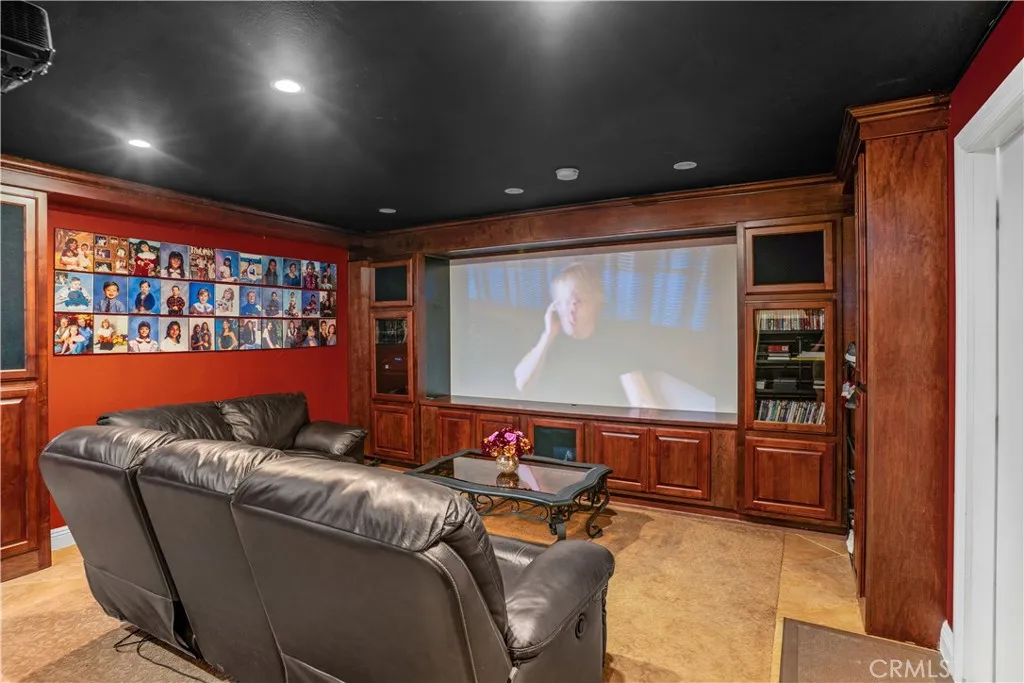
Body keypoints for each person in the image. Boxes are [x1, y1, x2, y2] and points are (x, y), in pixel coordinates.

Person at [514, 263, 610, 394]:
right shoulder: (545, 338)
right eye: (565, 301)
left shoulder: (611, 343)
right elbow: (523, 385)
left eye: (578, 301)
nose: (571, 309)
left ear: (595, 303)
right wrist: (548, 335)